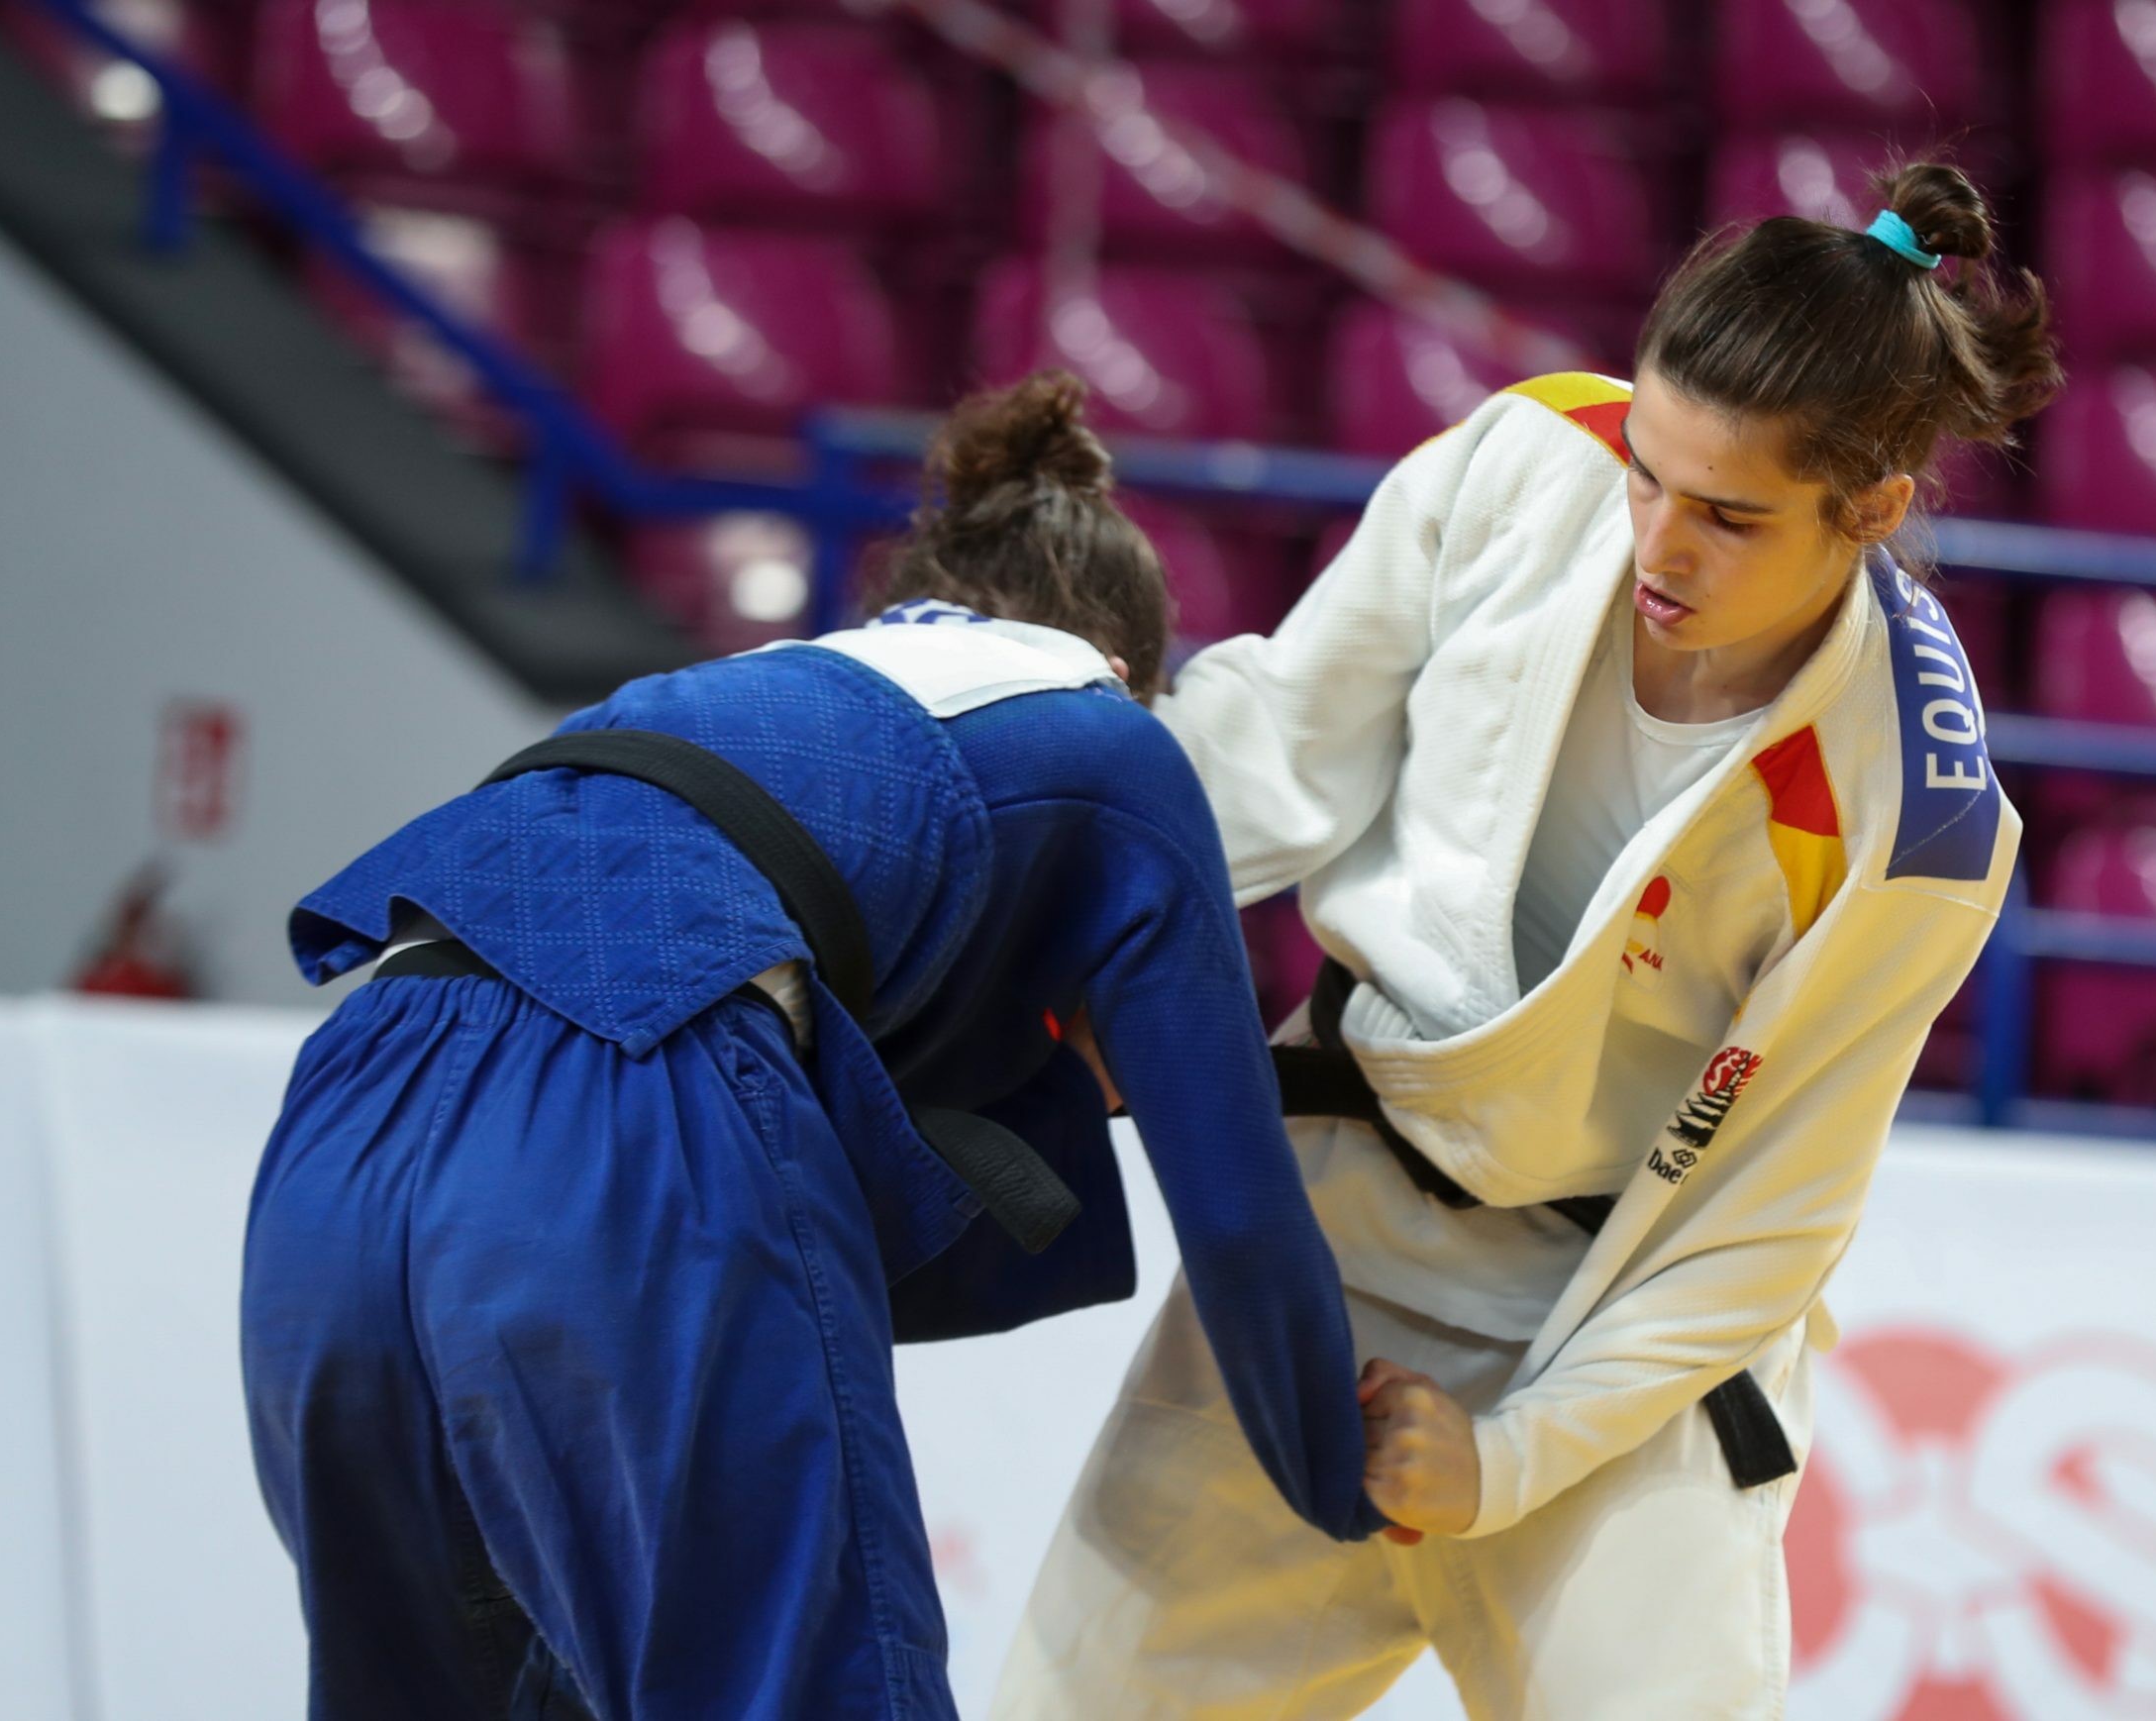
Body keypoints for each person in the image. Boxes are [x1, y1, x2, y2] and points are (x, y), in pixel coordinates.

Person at [998, 161, 2061, 1716]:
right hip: (1332, 1228)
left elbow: (1758, 1224)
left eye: (1728, 514)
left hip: (1612, 1328)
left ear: (1876, 510)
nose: (1658, 542)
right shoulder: (1529, 456)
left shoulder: (1914, 812)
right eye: (1649, 470)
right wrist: (1056, 908)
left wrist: (1507, 1456)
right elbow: (1281, 747)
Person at [238, 371, 1385, 1721]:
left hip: (343, 1115)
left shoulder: (729, 688)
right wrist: (1341, 1469)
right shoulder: (1113, 738)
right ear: (1132, 667)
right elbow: (1241, 1209)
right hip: (627, 1089)